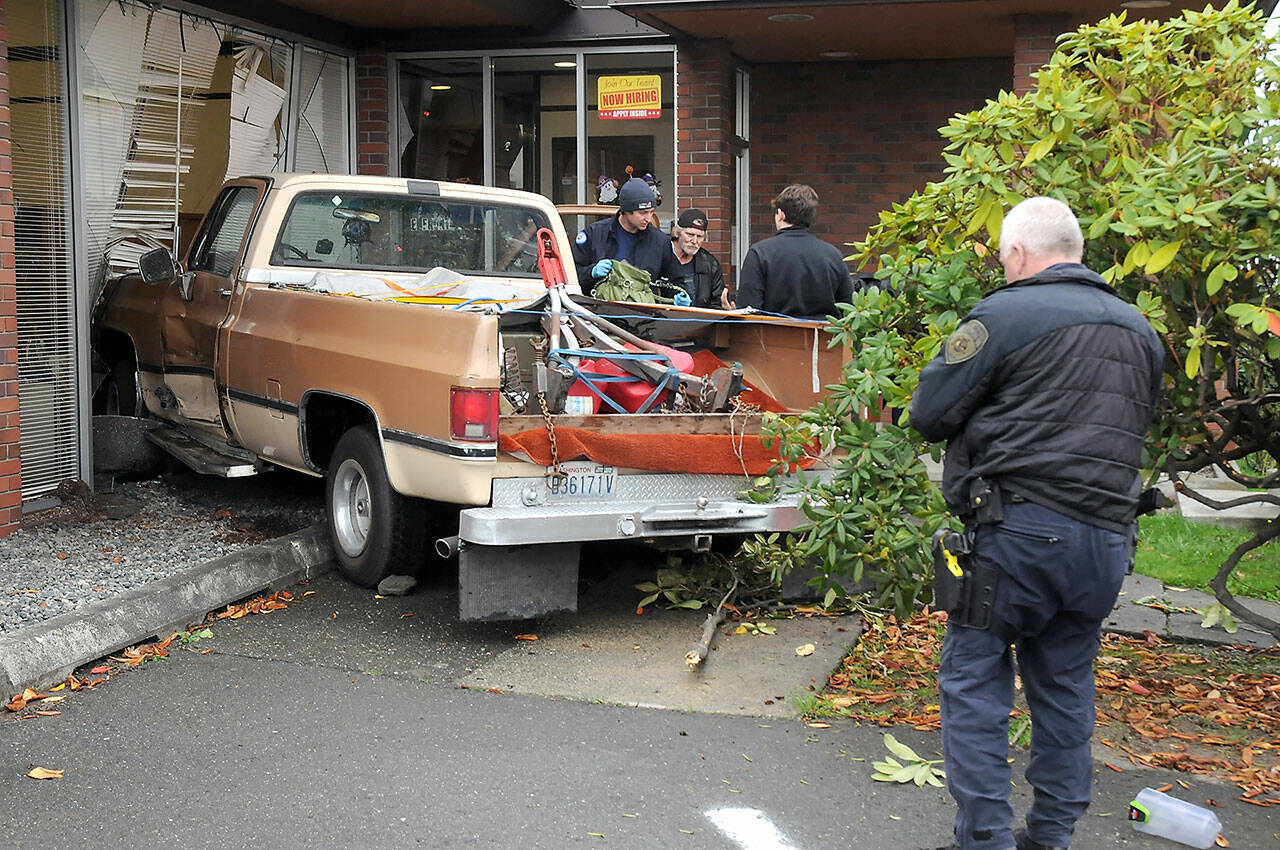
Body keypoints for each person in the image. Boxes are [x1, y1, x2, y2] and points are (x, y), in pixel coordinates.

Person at [909, 197, 1164, 850]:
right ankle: (1048, 838)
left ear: (1018, 254)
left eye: (1003, 257)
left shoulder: (1003, 315)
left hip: (1017, 538)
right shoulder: (1139, 329)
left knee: (973, 687)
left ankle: (987, 841)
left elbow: (929, 413)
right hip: (1106, 544)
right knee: (1066, 689)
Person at [730, 184, 852, 318]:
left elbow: (749, 309)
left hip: (772, 336)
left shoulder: (760, 253)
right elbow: (848, 307)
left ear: (781, 214)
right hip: (825, 336)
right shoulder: (834, 255)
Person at [571, 176, 684, 296]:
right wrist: (591, 272)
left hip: (643, 312)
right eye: (643, 213)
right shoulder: (595, 234)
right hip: (599, 311)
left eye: (651, 212)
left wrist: (679, 296)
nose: (648, 218)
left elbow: (676, 280)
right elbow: (570, 275)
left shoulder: (660, 242)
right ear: (626, 210)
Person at [662, 208, 726, 308]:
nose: (694, 241)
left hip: (698, 322)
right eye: (690, 234)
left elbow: (716, 303)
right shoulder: (660, 255)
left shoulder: (710, 264)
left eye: (699, 236)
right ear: (677, 233)